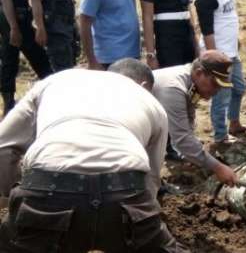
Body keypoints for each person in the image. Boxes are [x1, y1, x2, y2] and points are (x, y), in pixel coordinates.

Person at [0, 59, 191, 252]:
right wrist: (143, 226)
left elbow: (4, 147)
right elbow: (151, 180)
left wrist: (15, 198)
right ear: (143, 86)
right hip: (124, 196)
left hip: (47, 193)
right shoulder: (150, 102)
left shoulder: (55, 82)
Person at [193, 0, 246, 143]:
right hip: (219, 54)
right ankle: (220, 136)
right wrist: (215, 62)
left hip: (231, 51)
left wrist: (235, 40)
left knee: (239, 88)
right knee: (221, 96)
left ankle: (234, 123)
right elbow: (207, 32)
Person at [152, 50, 238, 182]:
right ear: (199, 73)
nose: (217, 91)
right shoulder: (174, 88)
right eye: (215, 84)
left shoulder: (192, 82)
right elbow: (182, 138)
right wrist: (218, 167)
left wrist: (190, 155)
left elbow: (188, 119)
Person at [0, 0, 52, 115]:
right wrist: (14, 28)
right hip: (16, 22)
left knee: (9, 61)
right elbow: (6, 0)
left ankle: (8, 106)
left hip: (12, 21)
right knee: (40, 60)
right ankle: (52, 94)